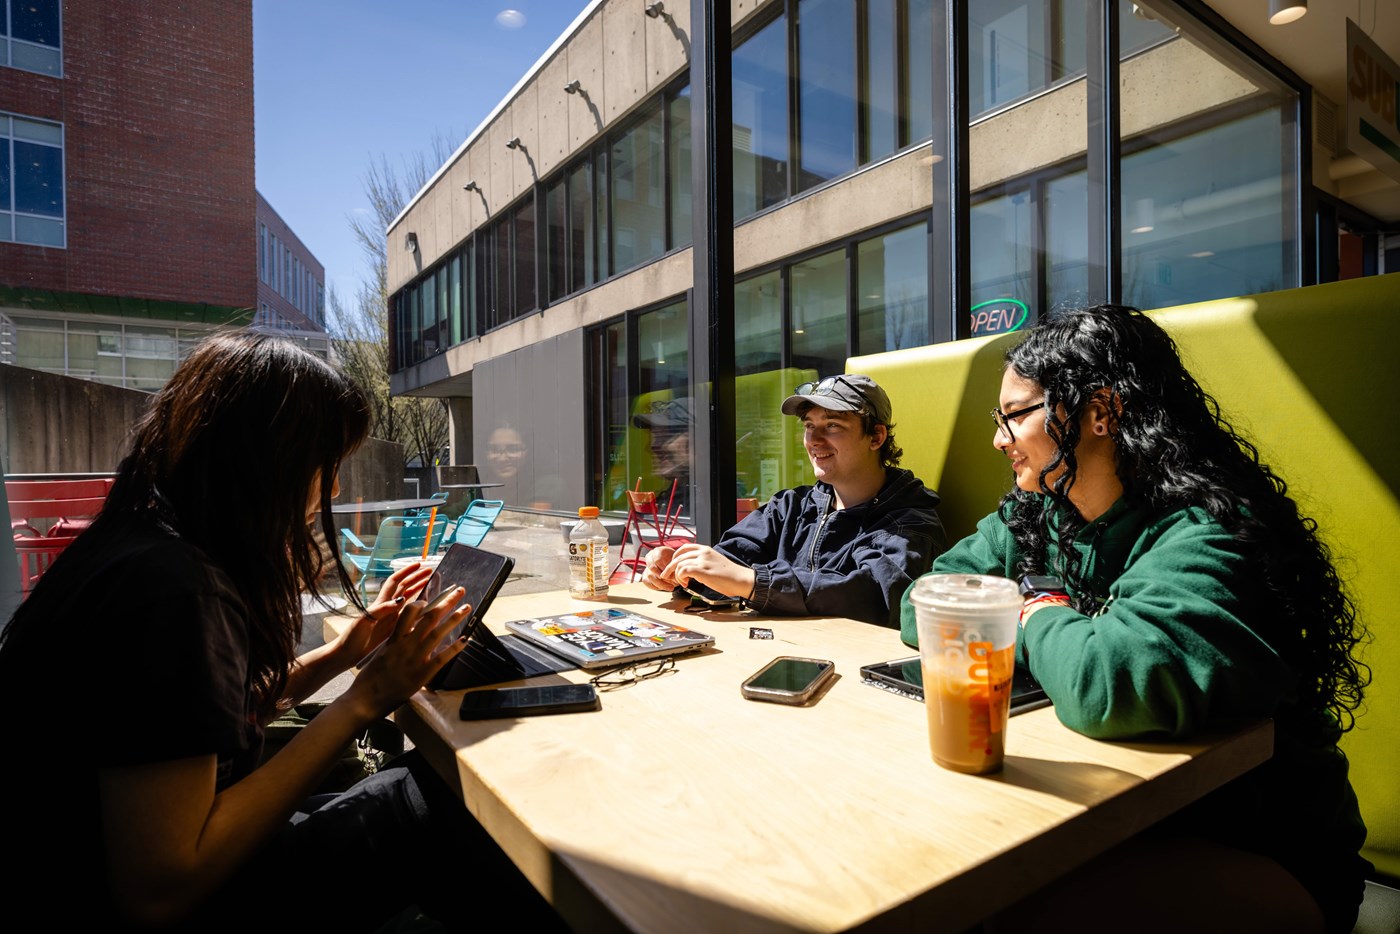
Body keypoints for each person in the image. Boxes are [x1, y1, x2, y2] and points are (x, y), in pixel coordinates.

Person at [0, 334, 550, 932]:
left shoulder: (143, 545)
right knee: (454, 802)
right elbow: (160, 890)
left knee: (413, 780)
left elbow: (197, 724)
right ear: (267, 461)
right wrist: (365, 699)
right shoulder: (173, 589)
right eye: (328, 464)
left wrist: (344, 652)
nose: (334, 490)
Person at [899, 305, 1370, 933]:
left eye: (1015, 415)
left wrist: (1033, 607)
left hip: (1259, 852)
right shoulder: (1035, 515)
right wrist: (1043, 616)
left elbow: (1110, 683)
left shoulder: (1208, 535)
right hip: (1112, 819)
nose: (998, 439)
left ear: (1102, 412)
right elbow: (922, 604)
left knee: (979, 905)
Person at [642, 374, 945, 627]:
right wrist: (683, 571)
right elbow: (730, 563)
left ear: (876, 437)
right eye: (809, 426)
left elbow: (875, 597)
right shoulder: (791, 506)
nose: (814, 440)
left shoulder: (909, 522)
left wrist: (754, 582)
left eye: (833, 425)